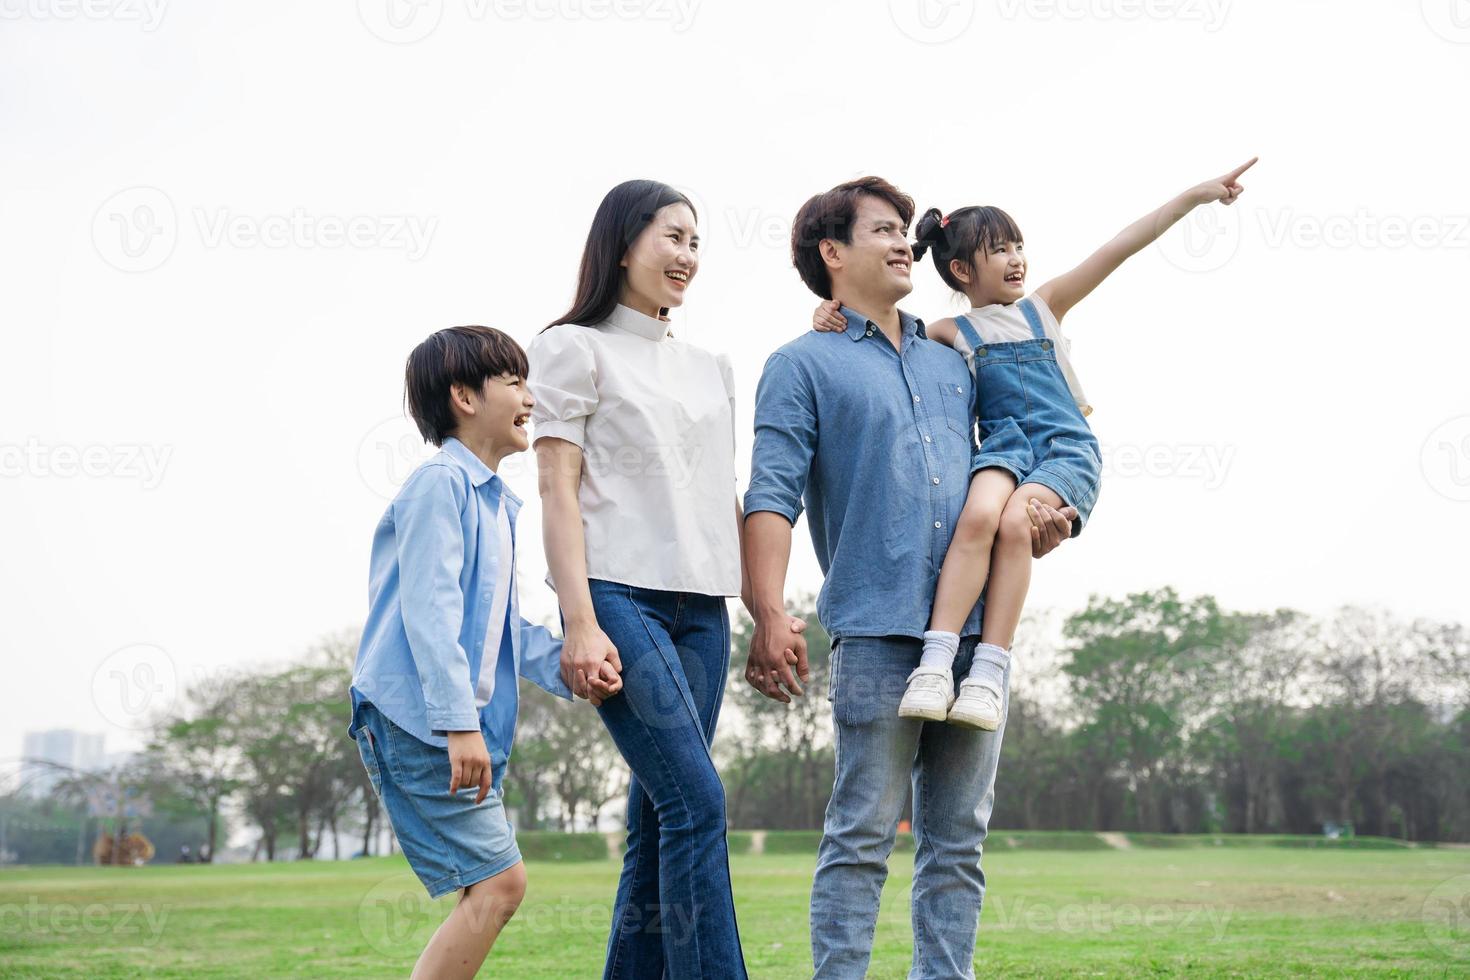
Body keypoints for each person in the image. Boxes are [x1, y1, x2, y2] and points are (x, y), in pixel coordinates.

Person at [743, 176, 1076, 979]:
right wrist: (766, 611)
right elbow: (770, 497)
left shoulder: (951, 356)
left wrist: (1044, 524)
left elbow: (1009, 460)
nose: (904, 245)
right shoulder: (800, 363)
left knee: (958, 844)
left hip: (971, 641)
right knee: (860, 838)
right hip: (877, 632)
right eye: (884, 231)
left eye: (907, 233)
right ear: (832, 253)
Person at [810, 158, 1256, 730]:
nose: (1016, 257)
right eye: (998, 249)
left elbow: (1121, 247)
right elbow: (882, 325)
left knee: (1017, 525)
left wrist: (1194, 196)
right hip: (1004, 449)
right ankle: (936, 662)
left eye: (1017, 244)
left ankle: (990, 671)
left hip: (1064, 450)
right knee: (976, 519)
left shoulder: (1043, 309)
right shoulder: (949, 335)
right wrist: (832, 310)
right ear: (960, 270)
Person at [529, 179, 802, 979]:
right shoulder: (571, 348)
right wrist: (579, 621)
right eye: (671, 237)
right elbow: (556, 492)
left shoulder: (710, 365)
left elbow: (729, 496)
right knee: (697, 803)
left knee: (659, 817)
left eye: (695, 242)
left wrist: (765, 612)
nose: (686, 256)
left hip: (703, 613)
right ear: (622, 244)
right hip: (618, 597)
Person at [348, 325, 575, 979]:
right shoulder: (440, 486)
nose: (530, 396)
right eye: (514, 381)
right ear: (464, 397)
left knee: (493, 888)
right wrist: (458, 725)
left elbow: (501, 629)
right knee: (499, 886)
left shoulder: (492, 502)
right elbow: (430, 616)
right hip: (419, 721)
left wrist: (573, 670)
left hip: (452, 726)